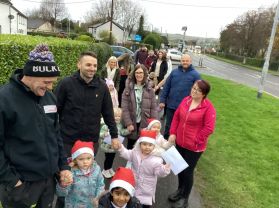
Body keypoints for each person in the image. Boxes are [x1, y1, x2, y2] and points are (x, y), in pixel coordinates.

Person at [0, 44, 72, 208]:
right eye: (47, 82)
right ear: (30, 74)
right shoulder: (4, 99)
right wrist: (14, 182)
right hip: (20, 186)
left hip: (48, 183)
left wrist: (63, 166)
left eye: (53, 82)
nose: (50, 87)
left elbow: (56, 135)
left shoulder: (50, 98)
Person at [54, 51, 119, 156]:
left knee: (88, 172)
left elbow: (108, 113)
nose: (92, 68)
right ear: (79, 64)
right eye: (88, 65)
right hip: (67, 141)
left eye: (95, 65)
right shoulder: (66, 84)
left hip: (90, 142)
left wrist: (114, 136)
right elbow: (54, 110)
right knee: (66, 171)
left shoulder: (102, 87)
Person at [168, 80, 216, 208]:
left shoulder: (208, 107)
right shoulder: (186, 100)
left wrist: (195, 140)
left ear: (204, 94)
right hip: (180, 142)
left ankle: (185, 198)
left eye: (198, 90)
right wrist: (173, 132)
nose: (194, 91)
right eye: (193, 88)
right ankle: (179, 190)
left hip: (194, 147)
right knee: (179, 168)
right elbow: (177, 117)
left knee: (188, 171)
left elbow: (209, 128)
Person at [115, 130, 170, 208]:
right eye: (144, 144)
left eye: (150, 145)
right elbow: (127, 154)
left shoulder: (157, 160)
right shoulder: (135, 153)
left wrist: (164, 169)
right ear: (139, 144)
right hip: (133, 183)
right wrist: (121, 148)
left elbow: (159, 172)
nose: (147, 147)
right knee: (132, 202)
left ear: (154, 146)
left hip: (147, 189)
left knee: (145, 205)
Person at [159, 54, 201, 140]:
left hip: (185, 108)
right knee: (168, 126)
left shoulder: (196, 75)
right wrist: (162, 100)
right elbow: (167, 86)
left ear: (190, 61)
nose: (185, 62)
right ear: (180, 61)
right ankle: (165, 143)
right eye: (183, 61)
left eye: (187, 61)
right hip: (171, 105)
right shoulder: (174, 72)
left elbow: (198, 92)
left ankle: (177, 147)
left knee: (181, 127)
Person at [56, 140, 105, 207]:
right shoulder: (70, 173)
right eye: (81, 159)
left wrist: (98, 198)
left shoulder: (96, 169)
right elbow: (61, 194)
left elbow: (100, 185)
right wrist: (63, 185)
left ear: (93, 158)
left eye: (88, 158)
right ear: (75, 160)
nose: (85, 161)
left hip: (91, 205)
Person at [121, 64, 158, 149]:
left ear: (145, 74)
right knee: (131, 148)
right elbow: (124, 107)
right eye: (137, 73)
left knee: (143, 148)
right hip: (132, 123)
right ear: (134, 74)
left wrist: (153, 125)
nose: (139, 75)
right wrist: (128, 123)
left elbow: (153, 109)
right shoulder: (128, 89)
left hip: (145, 123)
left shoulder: (150, 90)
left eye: (141, 72)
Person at [99, 108, 130, 179]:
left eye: (119, 116)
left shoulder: (119, 125)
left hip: (114, 147)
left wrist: (128, 131)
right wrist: (105, 134)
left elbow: (122, 132)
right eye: (115, 116)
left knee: (112, 158)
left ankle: (109, 168)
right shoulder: (106, 125)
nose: (117, 118)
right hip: (107, 146)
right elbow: (100, 134)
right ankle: (105, 170)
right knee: (108, 158)